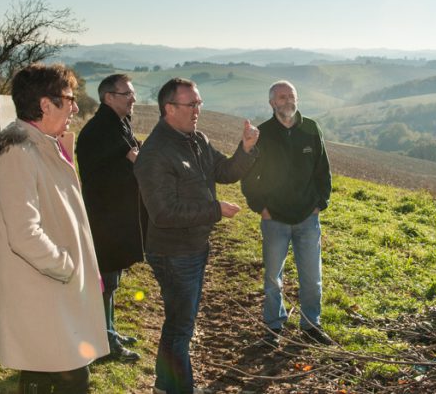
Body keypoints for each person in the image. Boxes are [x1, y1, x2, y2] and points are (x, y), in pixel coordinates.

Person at [0, 63, 108, 393]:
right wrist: (66, 265)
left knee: (50, 377)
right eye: (69, 98)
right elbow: (24, 233)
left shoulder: (47, 146)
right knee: (67, 378)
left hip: (54, 292)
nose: (75, 107)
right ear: (45, 104)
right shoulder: (19, 154)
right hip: (45, 291)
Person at [134, 77, 259, 394]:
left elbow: (226, 172)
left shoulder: (197, 139)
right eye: (191, 104)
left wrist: (245, 149)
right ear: (169, 108)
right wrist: (215, 210)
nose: (197, 110)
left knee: (179, 324)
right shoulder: (155, 153)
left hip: (194, 247)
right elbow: (163, 213)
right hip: (173, 253)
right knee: (180, 327)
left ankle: (166, 386)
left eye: (199, 103)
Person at [241, 80, 333, 348]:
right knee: (272, 278)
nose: (288, 101)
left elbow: (322, 172)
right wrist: (262, 208)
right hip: (275, 220)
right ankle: (273, 327)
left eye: (291, 96)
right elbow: (249, 177)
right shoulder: (263, 134)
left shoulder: (311, 129)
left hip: (307, 218)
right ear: (272, 103)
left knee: (312, 278)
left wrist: (320, 204)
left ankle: (311, 325)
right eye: (281, 97)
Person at [76, 74, 146, 363]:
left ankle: (110, 330)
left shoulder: (117, 123)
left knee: (111, 280)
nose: (133, 98)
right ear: (108, 97)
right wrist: (131, 162)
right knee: (104, 282)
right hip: (105, 220)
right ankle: (105, 341)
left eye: (132, 93)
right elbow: (96, 177)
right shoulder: (98, 131)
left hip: (116, 218)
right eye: (126, 94)